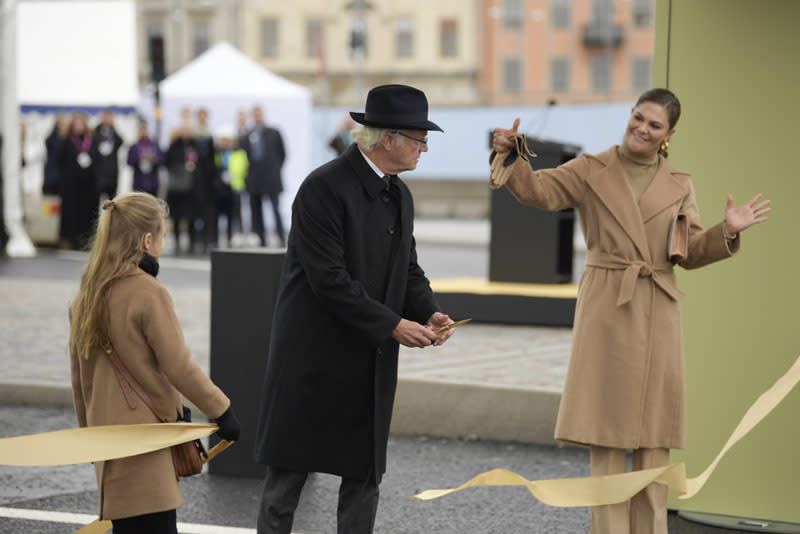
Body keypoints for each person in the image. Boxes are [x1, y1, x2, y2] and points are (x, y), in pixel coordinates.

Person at [490, 88, 771, 534]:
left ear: (668, 134)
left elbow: (690, 252)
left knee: (654, 439)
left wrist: (727, 232)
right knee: (606, 436)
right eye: (638, 117)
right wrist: (514, 155)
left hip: (658, 307)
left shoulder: (679, 183)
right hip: (608, 305)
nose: (641, 128)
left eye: (654, 124)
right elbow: (539, 193)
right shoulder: (591, 168)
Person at [253, 84, 456, 534]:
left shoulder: (399, 194)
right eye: (419, 137)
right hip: (313, 359)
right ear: (389, 139)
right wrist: (392, 325)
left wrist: (429, 311)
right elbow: (328, 280)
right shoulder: (322, 188)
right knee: (287, 479)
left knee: (364, 479)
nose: (425, 147)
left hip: (369, 359)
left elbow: (408, 268)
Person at [68, 191, 241, 533]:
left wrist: (89, 437)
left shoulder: (86, 295)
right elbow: (179, 365)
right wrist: (222, 411)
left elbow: (80, 383)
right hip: (144, 443)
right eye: (162, 234)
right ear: (148, 240)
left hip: (107, 443)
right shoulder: (147, 292)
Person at [239, 105, 286, 247]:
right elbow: (243, 156)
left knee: (275, 208)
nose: (257, 116)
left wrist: (274, 168)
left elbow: (282, 154)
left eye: (259, 113)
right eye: (255, 113)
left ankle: (281, 236)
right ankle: (261, 237)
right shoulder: (247, 135)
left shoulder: (273, 132)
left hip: (271, 177)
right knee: (256, 210)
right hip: (254, 178)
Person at [58, 112, 99, 250]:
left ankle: (86, 239)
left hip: (88, 185)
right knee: (72, 212)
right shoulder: (67, 140)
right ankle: (71, 239)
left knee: (87, 213)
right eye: (76, 123)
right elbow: (59, 160)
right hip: (71, 185)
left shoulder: (92, 139)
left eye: (81, 123)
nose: (79, 126)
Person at [164, 123, 200, 254]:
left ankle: (192, 243)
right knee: (176, 216)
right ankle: (177, 242)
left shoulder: (195, 145)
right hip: (176, 188)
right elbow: (167, 162)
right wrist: (182, 167)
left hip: (191, 189)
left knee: (191, 217)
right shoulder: (173, 146)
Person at [91, 109, 125, 200]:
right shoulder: (95, 132)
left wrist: (113, 127)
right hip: (98, 173)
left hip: (111, 173)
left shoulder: (113, 133)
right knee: (95, 200)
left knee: (112, 201)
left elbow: (121, 141)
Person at [127, 120, 162, 196]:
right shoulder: (135, 146)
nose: (143, 132)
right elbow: (129, 162)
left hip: (152, 182)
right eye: (141, 129)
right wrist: (140, 158)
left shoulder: (154, 145)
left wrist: (153, 159)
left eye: (145, 129)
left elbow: (161, 161)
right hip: (139, 182)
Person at [43, 113, 68, 195]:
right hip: (52, 176)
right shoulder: (52, 138)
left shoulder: (69, 140)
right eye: (59, 124)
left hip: (64, 177)